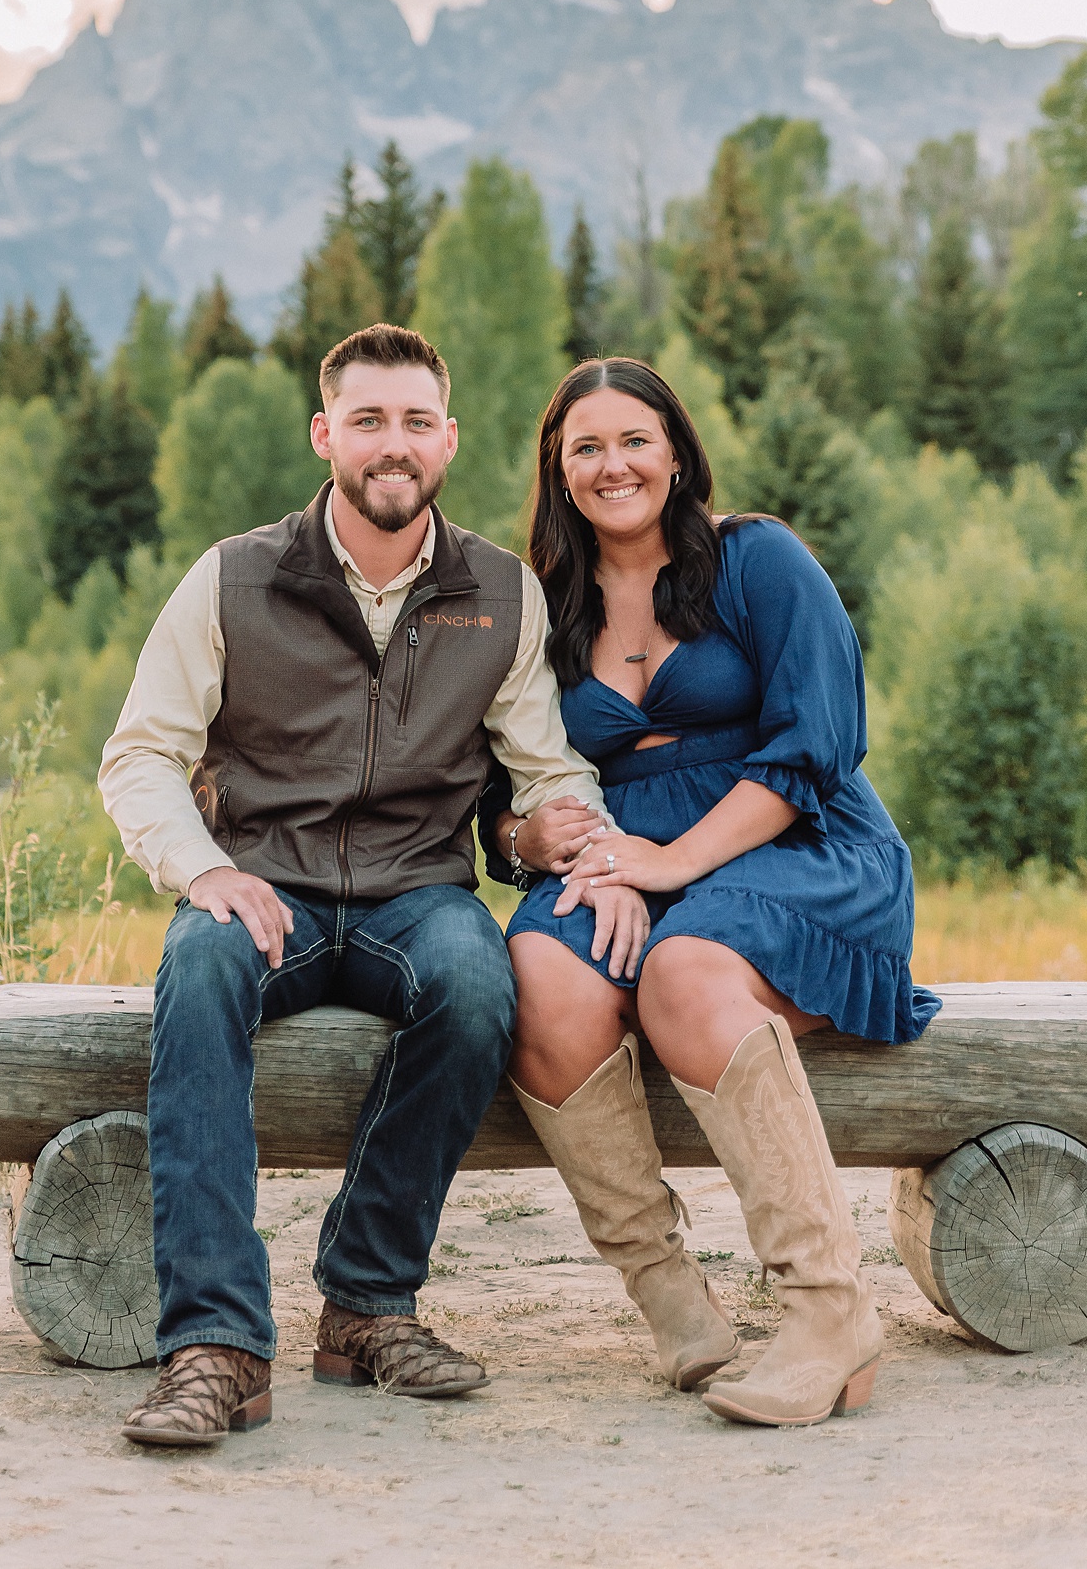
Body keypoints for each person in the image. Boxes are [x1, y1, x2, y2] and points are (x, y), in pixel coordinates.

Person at [98, 322, 643, 1447]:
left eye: (413, 422)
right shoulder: (234, 576)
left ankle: (366, 1306)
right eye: (367, 421)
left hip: (417, 894)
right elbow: (141, 754)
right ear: (325, 434)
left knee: (478, 980)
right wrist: (204, 870)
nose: (392, 444)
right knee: (198, 968)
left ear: (448, 440)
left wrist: (589, 849)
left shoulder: (500, 592)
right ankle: (215, 1345)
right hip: (266, 888)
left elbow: (547, 767)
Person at [488, 357, 939, 1428]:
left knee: (684, 974)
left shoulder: (756, 558)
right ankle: (670, 1299)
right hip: (624, 858)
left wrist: (673, 863)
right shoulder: (538, 606)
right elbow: (497, 797)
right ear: (558, 471)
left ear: (678, 453)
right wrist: (532, 840)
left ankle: (828, 1312)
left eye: (635, 440)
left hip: (797, 839)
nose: (613, 465)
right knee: (539, 975)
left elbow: (818, 741)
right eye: (586, 447)